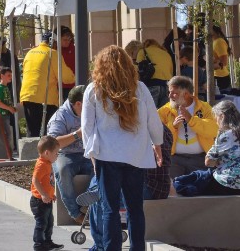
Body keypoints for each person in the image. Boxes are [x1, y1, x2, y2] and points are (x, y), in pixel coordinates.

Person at [81, 45, 163, 251]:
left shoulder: (94, 90)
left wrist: (91, 153)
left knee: (110, 209)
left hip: (107, 155)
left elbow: (87, 127)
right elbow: (154, 121)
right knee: (135, 209)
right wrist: (158, 144)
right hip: (135, 154)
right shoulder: (140, 88)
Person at [174, 100, 240, 196]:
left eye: (216, 118)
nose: (216, 122)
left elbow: (208, 162)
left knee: (193, 179)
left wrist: (219, 162)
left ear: (222, 116)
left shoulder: (226, 134)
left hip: (228, 186)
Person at [46, 85, 92, 224]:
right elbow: (53, 143)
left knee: (104, 167)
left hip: (86, 154)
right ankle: (75, 213)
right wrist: (77, 134)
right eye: (88, 104)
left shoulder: (91, 112)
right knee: (63, 170)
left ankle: (88, 205)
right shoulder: (60, 116)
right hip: (65, 154)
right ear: (78, 104)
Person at [158, 75, 218, 178]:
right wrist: (173, 127)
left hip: (200, 159)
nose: (170, 96)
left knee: (200, 191)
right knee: (173, 191)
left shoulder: (205, 108)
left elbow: (214, 130)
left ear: (186, 94)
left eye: (174, 93)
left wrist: (191, 120)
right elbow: (157, 134)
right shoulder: (164, 110)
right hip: (174, 160)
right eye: (169, 92)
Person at [20, 32, 74, 137]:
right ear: (53, 42)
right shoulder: (52, 53)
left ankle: (31, 152)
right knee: (48, 131)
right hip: (45, 98)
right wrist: (76, 77)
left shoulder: (30, 53)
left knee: (32, 132)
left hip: (27, 95)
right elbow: (66, 77)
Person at [30, 135, 63, 251]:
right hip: (39, 201)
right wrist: (43, 194)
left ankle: (47, 242)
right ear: (47, 153)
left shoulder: (47, 163)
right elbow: (35, 180)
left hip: (46, 200)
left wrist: (50, 194)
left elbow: (47, 182)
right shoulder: (41, 164)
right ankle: (39, 245)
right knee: (41, 224)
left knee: (49, 222)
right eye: (56, 153)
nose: (57, 155)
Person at [136, 39, 174, 108]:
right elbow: (170, 71)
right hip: (166, 86)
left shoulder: (143, 51)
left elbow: (138, 68)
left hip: (151, 84)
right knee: (164, 113)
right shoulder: (166, 53)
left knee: (151, 111)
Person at [0, 67, 17, 150]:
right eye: (8, 75)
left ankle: (7, 152)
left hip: (6, 114)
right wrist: (9, 108)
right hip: (2, 115)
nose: (10, 77)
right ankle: (7, 153)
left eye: (11, 75)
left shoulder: (6, 87)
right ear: (2, 76)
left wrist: (11, 108)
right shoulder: (0, 88)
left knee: (7, 134)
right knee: (7, 134)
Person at [52, 26, 76, 100]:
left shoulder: (74, 49)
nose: (67, 41)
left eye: (69, 39)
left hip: (72, 85)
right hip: (57, 86)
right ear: (57, 39)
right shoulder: (53, 50)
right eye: (65, 40)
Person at [212, 25, 231, 90]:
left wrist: (208, 67)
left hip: (221, 77)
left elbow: (224, 62)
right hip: (215, 76)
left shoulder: (219, 42)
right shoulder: (213, 42)